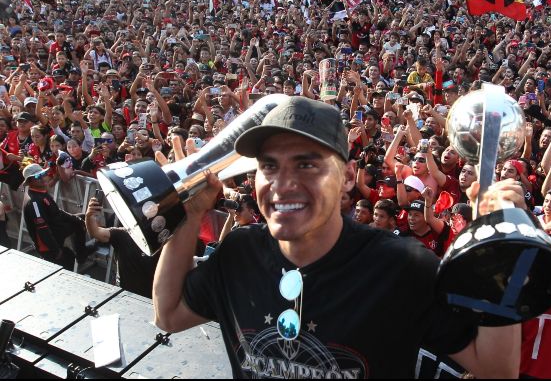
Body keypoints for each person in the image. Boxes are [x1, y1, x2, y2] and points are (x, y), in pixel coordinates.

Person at [153, 96, 520, 378]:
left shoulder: (400, 267)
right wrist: (190, 214)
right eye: (269, 166)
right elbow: (168, 315)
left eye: (306, 164)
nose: (283, 184)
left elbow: (495, 368)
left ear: (346, 177)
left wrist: (501, 247)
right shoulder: (240, 251)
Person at [84, 197, 161, 298]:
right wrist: (89, 215)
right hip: (124, 294)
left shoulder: (163, 239)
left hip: (152, 298)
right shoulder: (122, 234)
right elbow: (95, 232)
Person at [22, 163, 94, 269]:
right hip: (48, 244)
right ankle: (78, 255)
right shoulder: (34, 202)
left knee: (80, 219)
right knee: (67, 261)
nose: (42, 178)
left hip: (56, 228)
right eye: (37, 177)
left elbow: (57, 212)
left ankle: (81, 253)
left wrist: (76, 218)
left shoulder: (41, 192)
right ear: (29, 181)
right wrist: (56, 251)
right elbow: (43, 229)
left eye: (43, 174)